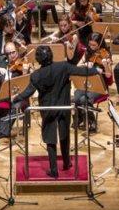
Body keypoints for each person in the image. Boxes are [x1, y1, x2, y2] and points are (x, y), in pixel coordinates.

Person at [12, 46, 99, 177]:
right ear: (51, 55)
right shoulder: (63, 66)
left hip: (47, 109)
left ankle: (53, 170)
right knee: (64, 135)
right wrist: (96, 70)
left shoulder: (36, 75)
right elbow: (82, 71)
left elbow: (28, 92)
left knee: (50, 138)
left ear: (38, 59)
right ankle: (66, 162)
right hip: (64, 107)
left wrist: (15, 98)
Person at [73, 32, 113, 132]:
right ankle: (80, 119)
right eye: (90, 44)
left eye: (94, 45)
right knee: (76, 97)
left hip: (99, 86)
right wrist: (85, 64)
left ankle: (92, 122)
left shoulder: (105, 54)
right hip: (86, 83)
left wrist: (105, 65)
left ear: (100, 44)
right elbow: (77, 67)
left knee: (84, 100)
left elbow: (109, 76)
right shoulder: (87, 52)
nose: (91, 47)